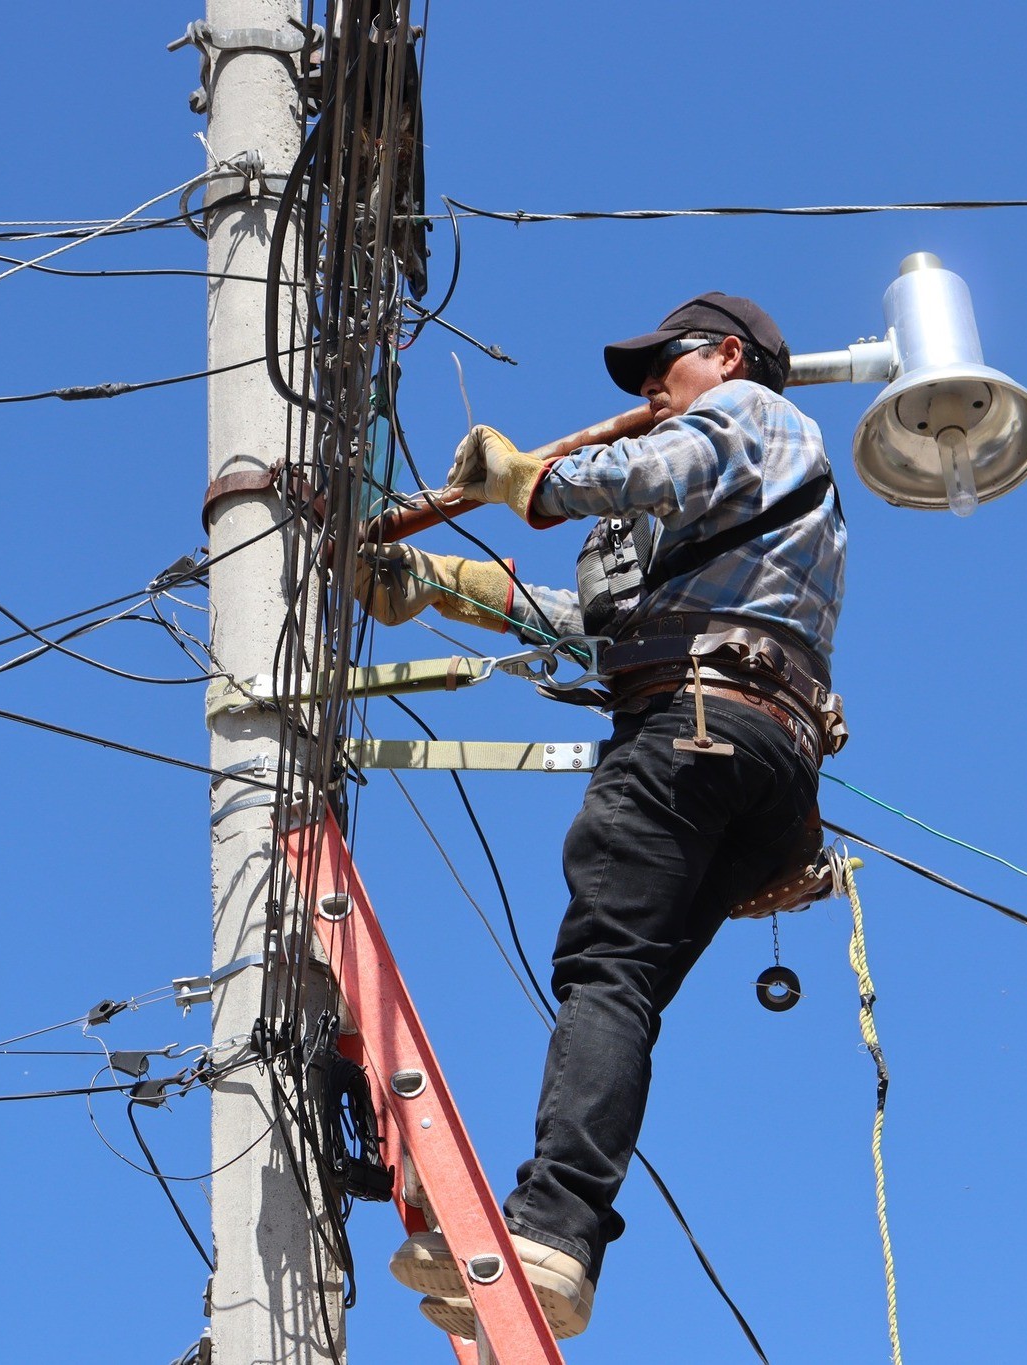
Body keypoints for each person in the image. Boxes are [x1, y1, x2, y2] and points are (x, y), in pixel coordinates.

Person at [356, 292, 848, 1340]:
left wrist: (536, 485)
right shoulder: (738, 521)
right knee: (619, 994)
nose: (644, 392)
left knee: (604, 976)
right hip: (758, 754)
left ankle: (551, 1229)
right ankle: (558, 1238)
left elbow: (648, 467)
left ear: (721, 354)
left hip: (695, 729)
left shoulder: (756, 415)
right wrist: (442, 584)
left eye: (657, 366)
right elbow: (606, 628)